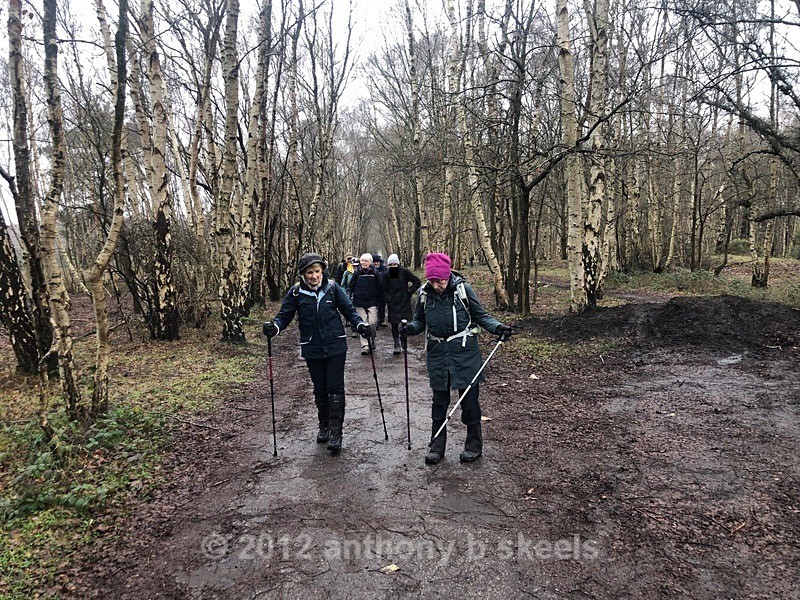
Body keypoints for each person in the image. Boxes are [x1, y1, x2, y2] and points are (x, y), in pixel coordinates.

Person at [400, 252, 512, 464]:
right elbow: (419, 322)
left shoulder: (463, 290)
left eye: (440, 280)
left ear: (448, 275)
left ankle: (473, 445)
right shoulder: (424, 294)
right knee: (439, 402)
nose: (436, 285)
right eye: (432, 281)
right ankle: (436, 446)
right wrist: (409, 329)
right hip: (437, 354)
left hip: (465, 353)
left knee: (469, 401)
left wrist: (498, 328)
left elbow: (481, 315)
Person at [262, 253, 371, 455]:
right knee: (320, 388)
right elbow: (284, 316)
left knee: (335, 388)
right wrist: (274, 328)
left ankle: (336, 433)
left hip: (336, 346)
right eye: (310, 272)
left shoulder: (332, 288)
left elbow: (349, 310)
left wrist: (360, 324)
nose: (314, 276)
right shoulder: (296, 293)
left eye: (317, 271)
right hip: (312, 348)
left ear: (323, 271)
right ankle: (324, 425)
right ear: (303, 274)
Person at [381, 253, 421, 355]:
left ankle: (404, 339)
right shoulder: (386, 274)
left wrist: (409, 292)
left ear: (398, 264)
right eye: (391, 265)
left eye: (395, 264)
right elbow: (383, 289)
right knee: (394, 324)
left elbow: (417, 281)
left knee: (404, 324)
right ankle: (396, 344)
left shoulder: (404, 272)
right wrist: (388, 299)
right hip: (392, 303)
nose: (393, 267)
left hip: (404, 301)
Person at [348, 253, 383, 355]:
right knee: (363, 323)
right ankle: (365, 345)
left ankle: (372, 339)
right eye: (362, 260)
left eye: (366, 261)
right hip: (359, 302)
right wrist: (349, 295)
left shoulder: (375, 274)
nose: (363, 263)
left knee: (372, 322)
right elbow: (351, 286)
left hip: (372, 301)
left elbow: (380, 288)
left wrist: (381, 301)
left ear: (370, 263)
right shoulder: (356, 273)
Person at [372, 253, 388, 328]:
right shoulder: (370, 269)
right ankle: (376, 322)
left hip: (383, 291)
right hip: (373, 291)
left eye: (377, 261)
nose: (375, 263)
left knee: (382, 306)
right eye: (374, 262)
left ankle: (381, 320)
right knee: (375, 307)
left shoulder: (384, 269)